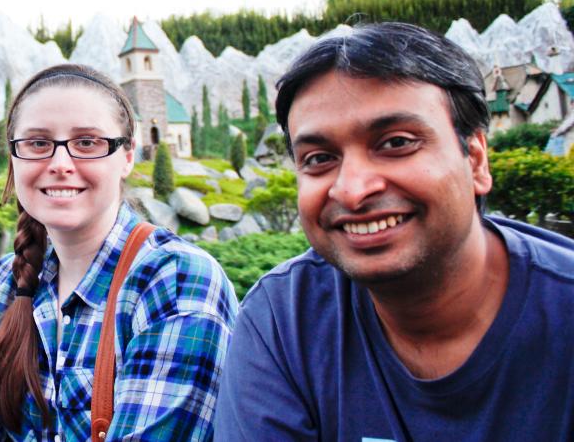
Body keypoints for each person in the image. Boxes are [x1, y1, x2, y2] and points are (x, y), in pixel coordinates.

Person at [213, 23, 574, 441]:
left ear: (475, 161)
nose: (352, 189)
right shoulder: (283, 321)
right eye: (319, 158)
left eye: (397, 143)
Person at [0, 64, 238, 441]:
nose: (60, 165)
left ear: (127, 156)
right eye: (37, 143)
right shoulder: (10, 281)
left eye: (87, 142)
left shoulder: (175, 280)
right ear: (13, 156)